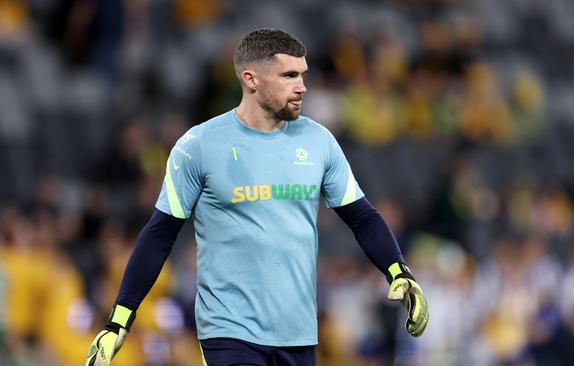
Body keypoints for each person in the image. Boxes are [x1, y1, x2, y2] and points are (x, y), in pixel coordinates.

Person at [84, 28, 429, 366]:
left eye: (303, 75)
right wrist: (119, 320)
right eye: (289, 75)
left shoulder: (319, 141)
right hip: (229, 334)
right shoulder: (199, 146)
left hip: (298, 335)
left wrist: (399, 272)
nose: (302, 86)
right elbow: (159, 234)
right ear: (251, 80)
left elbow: (362, 217)